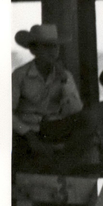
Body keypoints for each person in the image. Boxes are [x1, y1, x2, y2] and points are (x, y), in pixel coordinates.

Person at [12, 23, 89, 172]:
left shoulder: (65, 75)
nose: (52, 51)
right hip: (25, 130)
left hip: (54, 128)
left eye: (55, 47)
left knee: (88, 120)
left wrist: (64, 82)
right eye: (47, 46)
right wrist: (28, 134)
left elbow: (76, 110)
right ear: (34, 50)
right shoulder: (20, 75)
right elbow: (7, 113)